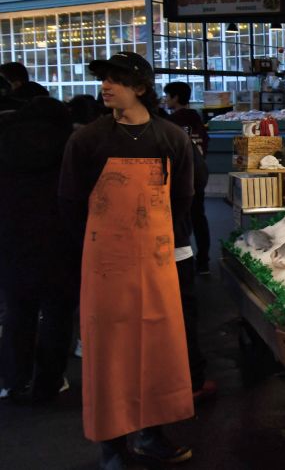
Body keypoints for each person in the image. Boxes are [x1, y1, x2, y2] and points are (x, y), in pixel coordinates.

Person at [58, 51, 195, 468]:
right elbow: (70, 202)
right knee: (109, 353)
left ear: (140, 87)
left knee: (158, 348)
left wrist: (163, 240)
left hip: (156, 260)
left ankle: (151, 435)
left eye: (115, 79)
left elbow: (183, 197)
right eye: (103, 79)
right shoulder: (87, 140)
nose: (106, 86)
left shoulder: (171, 137)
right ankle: (112, 444)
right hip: (105, 263)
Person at [0, 95, 76, 404]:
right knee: (58, 315)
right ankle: (50, 381)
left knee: (17, 312)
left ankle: (13, 380)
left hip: (11, 243)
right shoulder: (71, 146)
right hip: (61, 243)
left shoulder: (4, 143)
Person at [163, 82, 212, 275]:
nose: (165, 99)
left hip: (180, 177)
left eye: (167, 96)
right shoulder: (197, 120)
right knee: (199, 216)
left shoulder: (171, 123)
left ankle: (182, 264)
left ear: (175, 97)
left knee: (179, 220)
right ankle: (203, 261)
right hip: (198, 174)